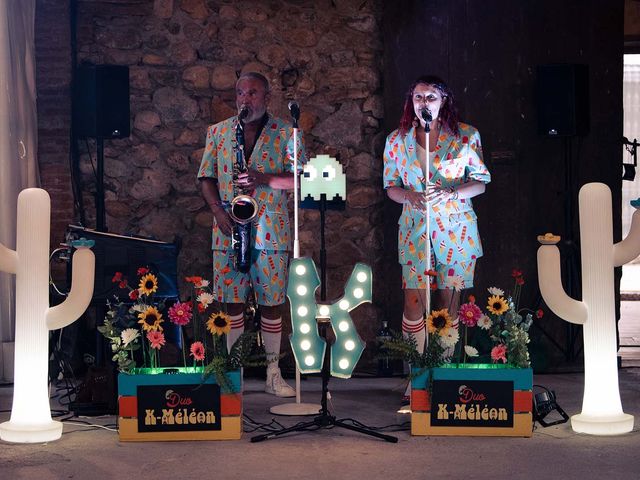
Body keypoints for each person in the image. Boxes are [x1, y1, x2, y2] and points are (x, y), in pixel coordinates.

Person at [383, 75, 491, 401]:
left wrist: (452, 193)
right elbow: (391, 186)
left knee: (449, 301)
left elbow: (481, 181)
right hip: (415, 229)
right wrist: (408, 197)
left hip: (456, 230)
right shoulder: (396, 139)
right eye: (418, 97)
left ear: (443, 100)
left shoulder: (466, 136)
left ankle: (442, 370)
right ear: (410, 101)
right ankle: (416, 373)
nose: (424, 103)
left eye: (431, 97)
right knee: (414, 300)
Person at [198, 72, 304, 397]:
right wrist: (218, 211)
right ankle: (234, 372)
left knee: (272, 302)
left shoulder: (287, 132)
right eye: (241, 93)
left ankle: (273, 372)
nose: (246, 99)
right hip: (228, 226)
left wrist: (264, 179)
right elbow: (206, 176)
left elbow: (299, 179)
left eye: (253, 93)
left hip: (270, 229)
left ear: (267, 96)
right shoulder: (218, 133)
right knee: (232, 302)